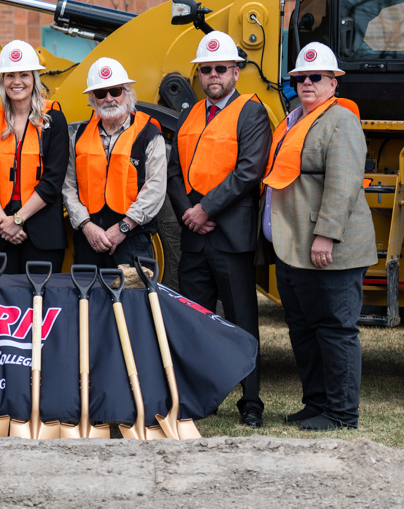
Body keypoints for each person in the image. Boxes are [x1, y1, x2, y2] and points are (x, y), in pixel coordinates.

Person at [263, 42, 376, 432]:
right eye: (301, 78)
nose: (307, 83)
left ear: (333, 83)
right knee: (305, 329)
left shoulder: (340, 120)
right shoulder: (294, 119)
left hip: (328, 249)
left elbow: (343, 184)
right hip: (294, 246)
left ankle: (343, 414)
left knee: (335, 329)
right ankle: (317, 404)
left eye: (316, 77)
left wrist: (326, 235)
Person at [166, 31, 271, 428]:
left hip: (230, 236)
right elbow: (174, 171)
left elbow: (249, 171)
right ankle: (198, 398)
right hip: (195, 236)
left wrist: (205, 209)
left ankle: (252, 401)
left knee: (243, 319)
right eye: (206, 69)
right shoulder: (190, 113)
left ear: (236, 71)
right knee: (196, 322)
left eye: (220, 68)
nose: (213, 75)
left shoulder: (252, 111)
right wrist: (189, 213)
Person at [62, 57, 166, 269]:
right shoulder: (79, 136)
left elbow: (156, 187)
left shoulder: (149, 134)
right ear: (92, 99)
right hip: (89, 241)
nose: (109, 98)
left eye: (115, 91)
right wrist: (86, 225)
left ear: (127, 94)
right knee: (88, 302)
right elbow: (68, 185)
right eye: (101, 93)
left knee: (133, 301)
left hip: (133, 241)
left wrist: (124, 227)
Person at [0, 40, 68, 274]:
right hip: (0, 232)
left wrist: (17, 220)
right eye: (10, 75)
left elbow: (53, 180)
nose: (17, 82)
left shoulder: (54, 119)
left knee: (40, 303)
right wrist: (4, 222)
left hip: (42, 231)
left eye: (24, 75)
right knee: (3, 305)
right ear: (2, 81)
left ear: (34, 79)